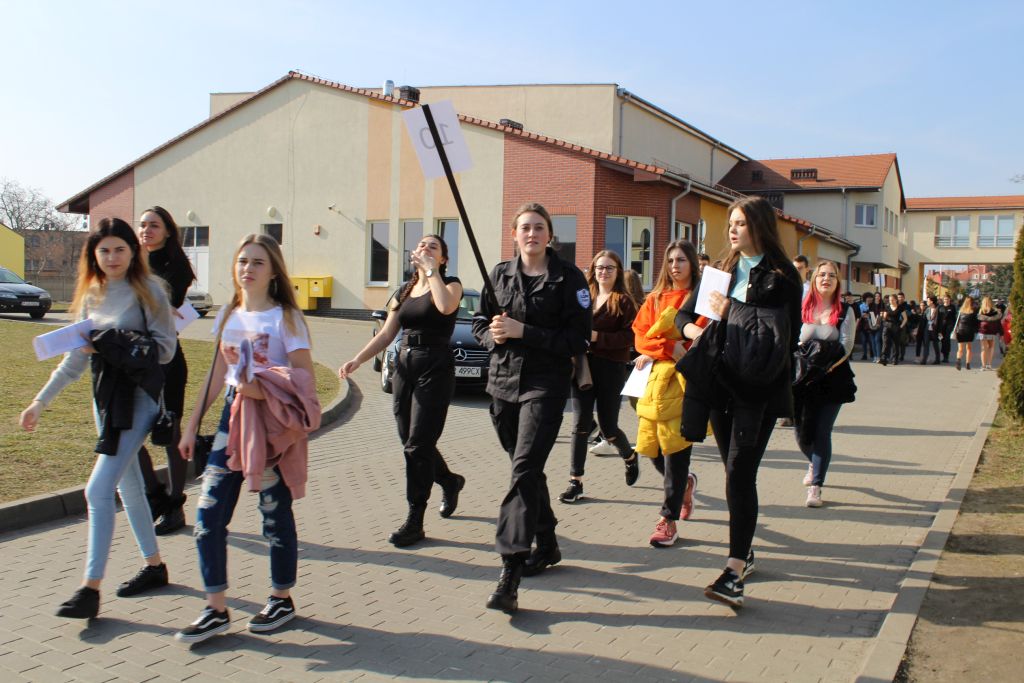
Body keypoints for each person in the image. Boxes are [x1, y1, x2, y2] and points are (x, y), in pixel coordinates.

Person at [19, 217, 176, 619]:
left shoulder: (151, 291)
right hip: (105, 401)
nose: (112, 257)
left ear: (133, 252)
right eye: (103, 250)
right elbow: (75, 359)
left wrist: (110, 343)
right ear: (93, 255)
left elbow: (165, 351)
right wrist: (39, 402)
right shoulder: (92, 293)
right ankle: (155, 567)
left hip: (138, 401)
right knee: (129, 487)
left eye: (120, 249)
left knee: (96, 490)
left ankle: (90, 588)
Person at [175, 234, 321, 643]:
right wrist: (192, 425)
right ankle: (215, 608)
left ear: (273, 271)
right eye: (242, 261)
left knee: (274, 512)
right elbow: (216, 375)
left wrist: (261, 388)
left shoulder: (286, 318)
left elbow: (305, 381)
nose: (247, 269)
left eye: (257, 262)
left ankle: (281, 598)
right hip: (232, 420)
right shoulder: (228, 314)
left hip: (271, 424)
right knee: (208, 514)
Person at [677, 196, 802, 608]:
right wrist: (696, 333)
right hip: (719, 384)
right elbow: (683, 317)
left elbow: (784, 336)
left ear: (759, 226)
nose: (732, 230)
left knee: (740, 471)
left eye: (740, 223)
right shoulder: (721, 270)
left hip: (758, 390)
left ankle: (733, 571)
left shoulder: (782, 277)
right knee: (733, 474)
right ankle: (743, 550)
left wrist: (731, 311)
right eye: (730, 223)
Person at [471, 202, 591, 614]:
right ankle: (549, 540)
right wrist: (493, 336)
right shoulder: (499, 274)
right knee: (528, 469)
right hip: (502, 383)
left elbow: (578, 339)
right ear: (514, 234)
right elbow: (479, 322)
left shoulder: (569, 278)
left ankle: (510, 571)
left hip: (545, 384)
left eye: (539, 227)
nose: (532, 233)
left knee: (522, 470)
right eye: (525, 227)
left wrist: (525, 331)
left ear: (549, 235)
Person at [339, 234, 466, 545]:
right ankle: (449, 480)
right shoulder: (405, 290)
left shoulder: (451, 284)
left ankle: (415, 520)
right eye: (422, 245)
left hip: (435, 367)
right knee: (410, 441)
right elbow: (386, 334)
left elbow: (445, 307)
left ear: (443, 259)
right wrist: (358, 359)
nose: (425, 249)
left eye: (433, 247)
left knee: (418, 445)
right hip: (404, 368)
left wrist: (431, 271)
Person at [630, 240, 703, 547]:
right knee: (652, 449)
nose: (675, 266)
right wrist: (668, 347)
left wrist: (672, 349)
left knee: (676, 450)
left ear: (692, 264)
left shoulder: (699, 298)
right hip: (654, 383)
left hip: (686, 381)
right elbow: (640, 337)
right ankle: (684, 484)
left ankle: (667, 519)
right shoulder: (656, 298)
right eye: (671, 260)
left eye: (681, 260)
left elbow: (700, 337)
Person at [135, 206, 196, 535]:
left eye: (154, 225)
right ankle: (155, 495)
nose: (146, 230)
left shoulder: (177, 267)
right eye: (143, 224)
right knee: (131, 433)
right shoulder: (131, 262)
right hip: (134, 360)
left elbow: (162, 309)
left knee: (170, 433)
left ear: (168, 231)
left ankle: (175, 505)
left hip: (167, 360)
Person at [559, 250, 638, 504]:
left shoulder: (624, 301)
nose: (603, 272)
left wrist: (598, 337)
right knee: (580, 425)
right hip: (583, 366)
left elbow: (630, 337)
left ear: (618, 272)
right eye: (599, 267)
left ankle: (629, 456)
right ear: (593, 270)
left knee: (608, 428)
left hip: (611, 368)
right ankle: (576, 482)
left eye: (609, 268)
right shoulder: (584, 296)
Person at [792, 261, 857, 507]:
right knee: (801, 434)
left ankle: (816, 487)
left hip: (832, 379)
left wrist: (827, 366)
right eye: (821, 275)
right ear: (814, 279)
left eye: (831, 275)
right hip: (802, 381)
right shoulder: (801, 307)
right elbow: (790, 338)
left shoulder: (844, 311)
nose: (826, 279)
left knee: (822, 431)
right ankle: (814, 461)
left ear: (837, 281)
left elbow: (847, 345)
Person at [976, 296, 1003, 371]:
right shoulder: (996, 311)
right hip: (992, 331)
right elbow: (999, 323)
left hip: (983, 331)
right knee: (991, 348)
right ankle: (989, 365)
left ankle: (983, 366)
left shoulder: (981, 311)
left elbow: (977, 322)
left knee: (983, 349)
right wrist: (1001, 333)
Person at [953, 295, 979, 371]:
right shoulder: (973, 312)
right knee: (969, 348)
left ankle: (958, 359)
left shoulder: (960, 311)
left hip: (960, 330)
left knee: (960, 348)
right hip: (969, 331)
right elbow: (976, 323)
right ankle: (968, 364)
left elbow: (957, 321)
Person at [879, 294, 906, 366]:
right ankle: (884, 358)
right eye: (890, 300)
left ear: (896, 300)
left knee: (895, 344)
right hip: (887, 326)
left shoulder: (900, 307)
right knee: (885, 342)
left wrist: (901, 327)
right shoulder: (887, 307)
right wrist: (882, 316)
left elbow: (905, 319)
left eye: (892, 300)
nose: (891, 301)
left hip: (896, 327)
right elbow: (884, 318)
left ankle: (895, 359)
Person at [918, 296, 941, 365]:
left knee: (935, 344)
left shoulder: (939, 309)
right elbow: (923, 319)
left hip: (935, 329)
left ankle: (937, 359)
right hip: (927, 329)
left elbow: (941, 321)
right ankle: (924, 359)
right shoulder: (927, 309)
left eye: (928, 301)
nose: (927, 302)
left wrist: (940, 331)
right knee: (926, 344)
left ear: (932, 301)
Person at [858, 293, 880, 361]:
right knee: (864, 341)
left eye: (871, 297)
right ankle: (864, 354)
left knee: (871, 341)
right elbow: (860, 315)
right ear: (865, 298)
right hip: (863, 325)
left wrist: (867, 315)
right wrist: (864, 315)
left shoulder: (873, 305)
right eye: (868, 297)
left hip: (871, 325)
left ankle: (873, 354)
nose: (870, 299)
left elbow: (873, 315)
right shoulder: (861, 306)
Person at [936, 295, 956, 362]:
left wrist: (954, 327)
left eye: (947, 299)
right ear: (943, 300)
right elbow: (937, 317)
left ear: (950, 299)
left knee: (947, 340)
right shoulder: (940, 307)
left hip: (949, 326)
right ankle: (940, 356)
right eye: (945, 299)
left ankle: (946, 356)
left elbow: (954, 318)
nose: (946, 300)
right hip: (941, 327)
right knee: (941, 340)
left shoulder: (952, 307)